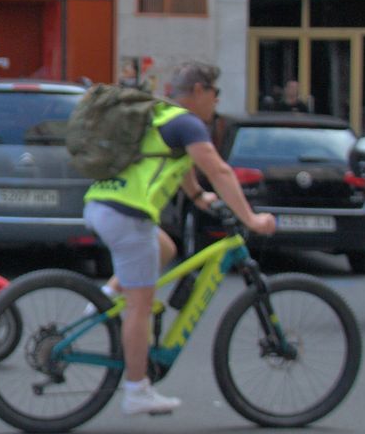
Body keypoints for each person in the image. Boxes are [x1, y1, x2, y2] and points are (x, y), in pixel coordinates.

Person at [84, 61, 276, 416]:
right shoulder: (187, 122)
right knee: (141, 306)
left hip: (102, 203)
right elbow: (217, 169)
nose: (217, 101)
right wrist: (250, 217)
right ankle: (137, 390)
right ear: (200, 91)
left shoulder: (159, 114)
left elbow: (177, 162)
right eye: (215, 94)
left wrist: (198, 196)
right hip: (127, 215)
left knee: (165, 248)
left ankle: (105, 297)